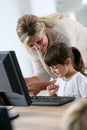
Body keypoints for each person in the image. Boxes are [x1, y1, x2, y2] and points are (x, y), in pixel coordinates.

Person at [16, 13, 87, 96]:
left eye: (39, 41)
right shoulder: (29, 43)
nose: (37, 48)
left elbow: (69, 75)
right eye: (31, 45)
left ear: (44, 30)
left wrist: (41, 86)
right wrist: (23, 83)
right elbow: (43, 74)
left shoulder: (62, 36)